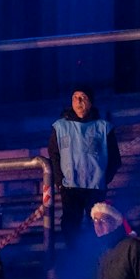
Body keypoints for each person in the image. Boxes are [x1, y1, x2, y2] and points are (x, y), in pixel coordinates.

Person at [49, 89, 119, 243]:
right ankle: (73, 253)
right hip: (70, 186)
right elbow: (54, 155)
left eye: (83, 97)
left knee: (95, 225)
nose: (78, 102)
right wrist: (60, 182)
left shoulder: (103, 127)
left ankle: (95, 254)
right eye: (75, 98)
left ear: (90, 102)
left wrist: (103, 179)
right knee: (70, 224)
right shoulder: (60, 127)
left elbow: (115, 158)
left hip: (95, 186)